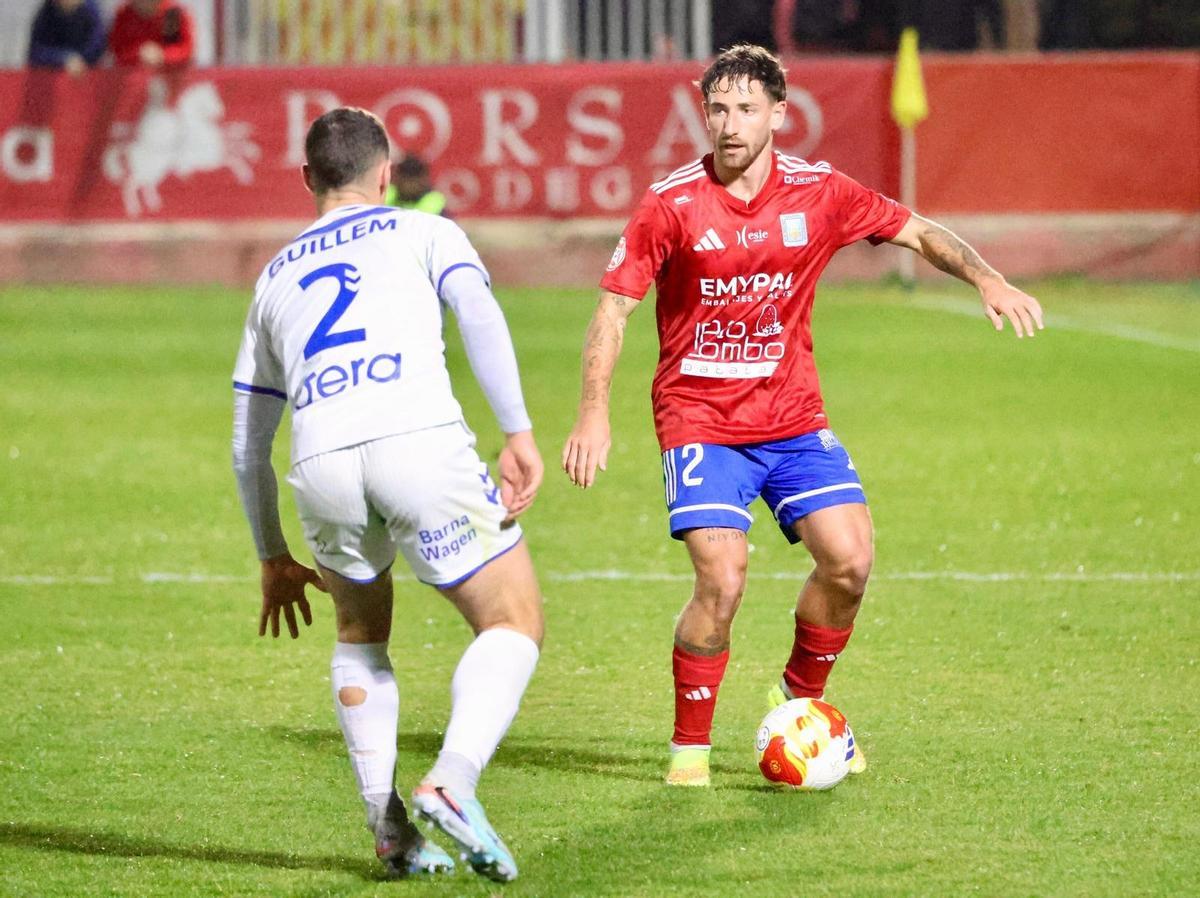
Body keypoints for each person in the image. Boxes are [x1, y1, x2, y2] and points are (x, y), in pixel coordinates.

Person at [562, 44, 1043, 787]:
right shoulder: (673, 202)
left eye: (746, 109)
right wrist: (593, 414)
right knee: (722, 579)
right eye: (717, 108)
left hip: (792, 418)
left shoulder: (819, 193)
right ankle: (689, 750)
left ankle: (799, 705)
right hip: (701, 420)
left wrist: (987, 276)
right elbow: (613, 309)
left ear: (779, 115)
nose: (729, 124)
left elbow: (916, 229)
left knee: (850, 562)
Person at [231, 107, 544, 881]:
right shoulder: (424, 231)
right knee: (510, 618)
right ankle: (453, 783)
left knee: (360, 631)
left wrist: (272, 554)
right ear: (385, 173)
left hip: (323, 459)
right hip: (418, 439)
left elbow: (247, 444)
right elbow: (477, 310)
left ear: (308, 179)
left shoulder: (273, 277)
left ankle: (387, 826)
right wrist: (518, 430)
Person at [26, 0, 106, 76]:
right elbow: (35, 52)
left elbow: (98, 46)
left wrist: (80, 60)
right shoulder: (46, 14)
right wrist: (64, 58)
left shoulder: (91, 12)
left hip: (87, 76)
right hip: (52, 78)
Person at [108, 0, 194, 68]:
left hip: (167, 79)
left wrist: (162, 55)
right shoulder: (124, 15)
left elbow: (185, 50)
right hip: (132, 80)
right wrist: (139, 53)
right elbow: (117, 51)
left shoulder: (171, 14)